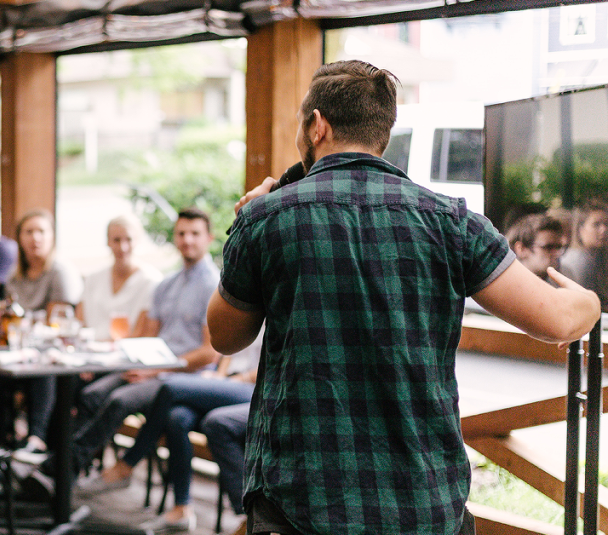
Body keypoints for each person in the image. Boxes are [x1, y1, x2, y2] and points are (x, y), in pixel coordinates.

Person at [209, 60, 600, 535]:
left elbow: (225, 336)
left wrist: (245, 225)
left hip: (301, 500)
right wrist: (590, 303)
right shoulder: (451, 220)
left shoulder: (268, 217)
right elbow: (559, 321)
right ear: (382, 132)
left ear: (317, 126)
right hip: (421, 501)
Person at [68, 208, 220, 479]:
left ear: (209, 238)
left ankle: (65, 468)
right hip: (151, 368)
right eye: (181, 233)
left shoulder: (214, 286)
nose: (187, 240)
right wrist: (136, 363)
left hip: (182, 377)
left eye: (195, 234)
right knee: (90, 393)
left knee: (117, 400)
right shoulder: (167, 284)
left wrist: (155, 370)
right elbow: (149, 337)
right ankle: (73, 467)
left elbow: (210, 353)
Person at [81, 369, 257, 532]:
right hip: (219, 382)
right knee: (176, 418)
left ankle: (127, 463)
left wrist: (229, 378)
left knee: (169, 388)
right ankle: (182, 508)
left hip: (247, 386)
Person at [4, 209, 83, 456]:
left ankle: (37, 439)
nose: (35, 238)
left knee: (42, 368)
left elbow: (55, 323)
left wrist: (24, 323)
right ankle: (1, 439)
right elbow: (8, 319)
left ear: (52, 237)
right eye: (29, 232)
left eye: (41, 231)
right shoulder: (14, 276)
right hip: (20, 351)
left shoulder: (60, 272)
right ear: (19, 238)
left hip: (55, 354)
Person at [78, 215, 163, 340]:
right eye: (116, 240)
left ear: (138, 241)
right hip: (88, 351)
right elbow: (79, 322)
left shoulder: (151, 280)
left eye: (128, 239)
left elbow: (142, 333)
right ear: (108, 242)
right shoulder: (93, 278)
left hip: (125, 354)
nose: (122, 247)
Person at [560, 200, 608, 311]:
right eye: (596, 224)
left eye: (606, 224)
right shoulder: (578, 261)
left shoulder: (598, 257)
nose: (603, 230)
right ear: (580, 229)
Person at [504, 213, 568, 280]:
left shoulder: (565, 276)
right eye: (548, 247)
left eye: (558, 247)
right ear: (521, 249)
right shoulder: (504, 284)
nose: (557, 253)